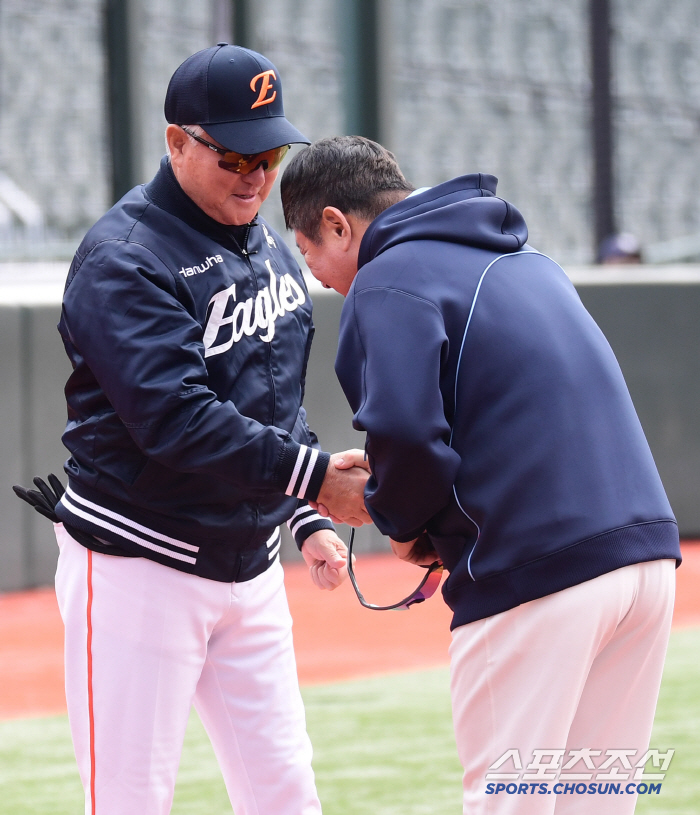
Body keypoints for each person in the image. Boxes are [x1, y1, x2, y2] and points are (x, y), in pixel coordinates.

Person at [280, 135, 682, 815]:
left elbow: (408, 433)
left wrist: (396, 515)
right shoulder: (528, 259)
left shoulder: (388, 278)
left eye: (307, 247)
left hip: (535, 574)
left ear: (336, 225)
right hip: (642, 565)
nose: (314, 269)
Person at [42, 47, 370, 815]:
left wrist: (305, 512)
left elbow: (270, 394)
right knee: (129, 801)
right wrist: (313, 476)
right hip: (137, 567)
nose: (255, 176)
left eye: (269, 154)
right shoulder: (125, 260)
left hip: (247, 568)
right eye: (232, 155)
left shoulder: (263, 243)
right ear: (176, 142)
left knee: (287, 795)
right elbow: (177, 419)